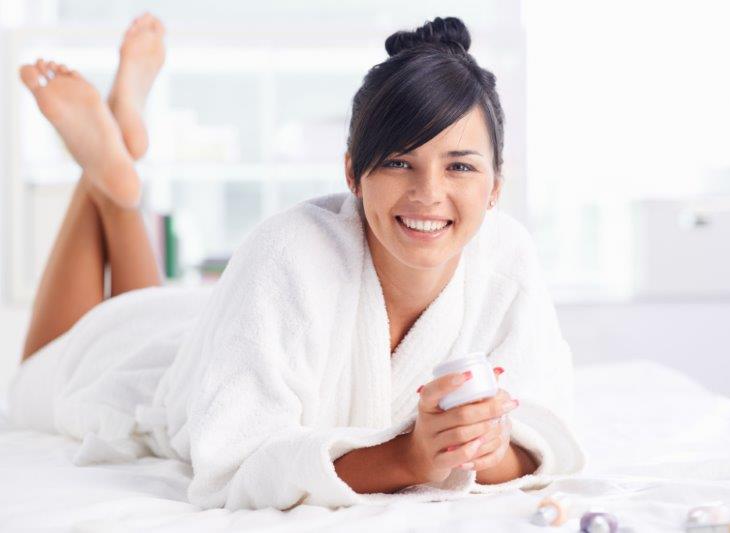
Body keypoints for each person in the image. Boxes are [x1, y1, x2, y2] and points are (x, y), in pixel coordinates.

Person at [7, 14, 585, 510]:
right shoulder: (288, 251)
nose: (429, 193)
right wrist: (409, 457)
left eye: (459, 166)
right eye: (398, 163)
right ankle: (105, 175)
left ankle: (115, 165)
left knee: (154, 322)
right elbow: (234, 466)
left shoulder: (507, 258)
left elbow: (545, 434)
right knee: (35, 373)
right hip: (136, 356)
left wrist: (482, 445)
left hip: (209, 331)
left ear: (496, 185)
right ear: (352, 173)